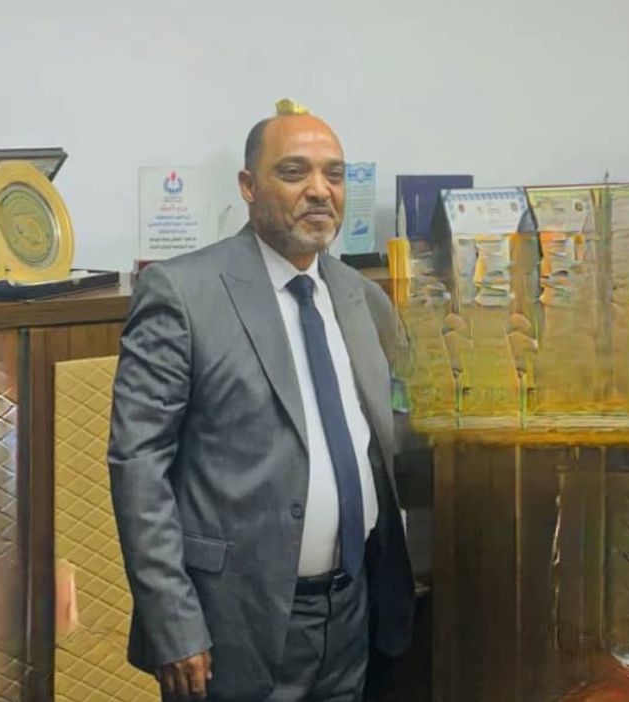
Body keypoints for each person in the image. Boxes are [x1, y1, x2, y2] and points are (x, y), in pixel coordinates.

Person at [108, 112, 414, 702]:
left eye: (334, 175)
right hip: (233, 623)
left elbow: (389, 440)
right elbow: (139, 466)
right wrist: (173, 622)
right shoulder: (183, 294)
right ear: (248, 186)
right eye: (295, 172)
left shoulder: (361, 298)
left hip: (352, 612)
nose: (320, 190)